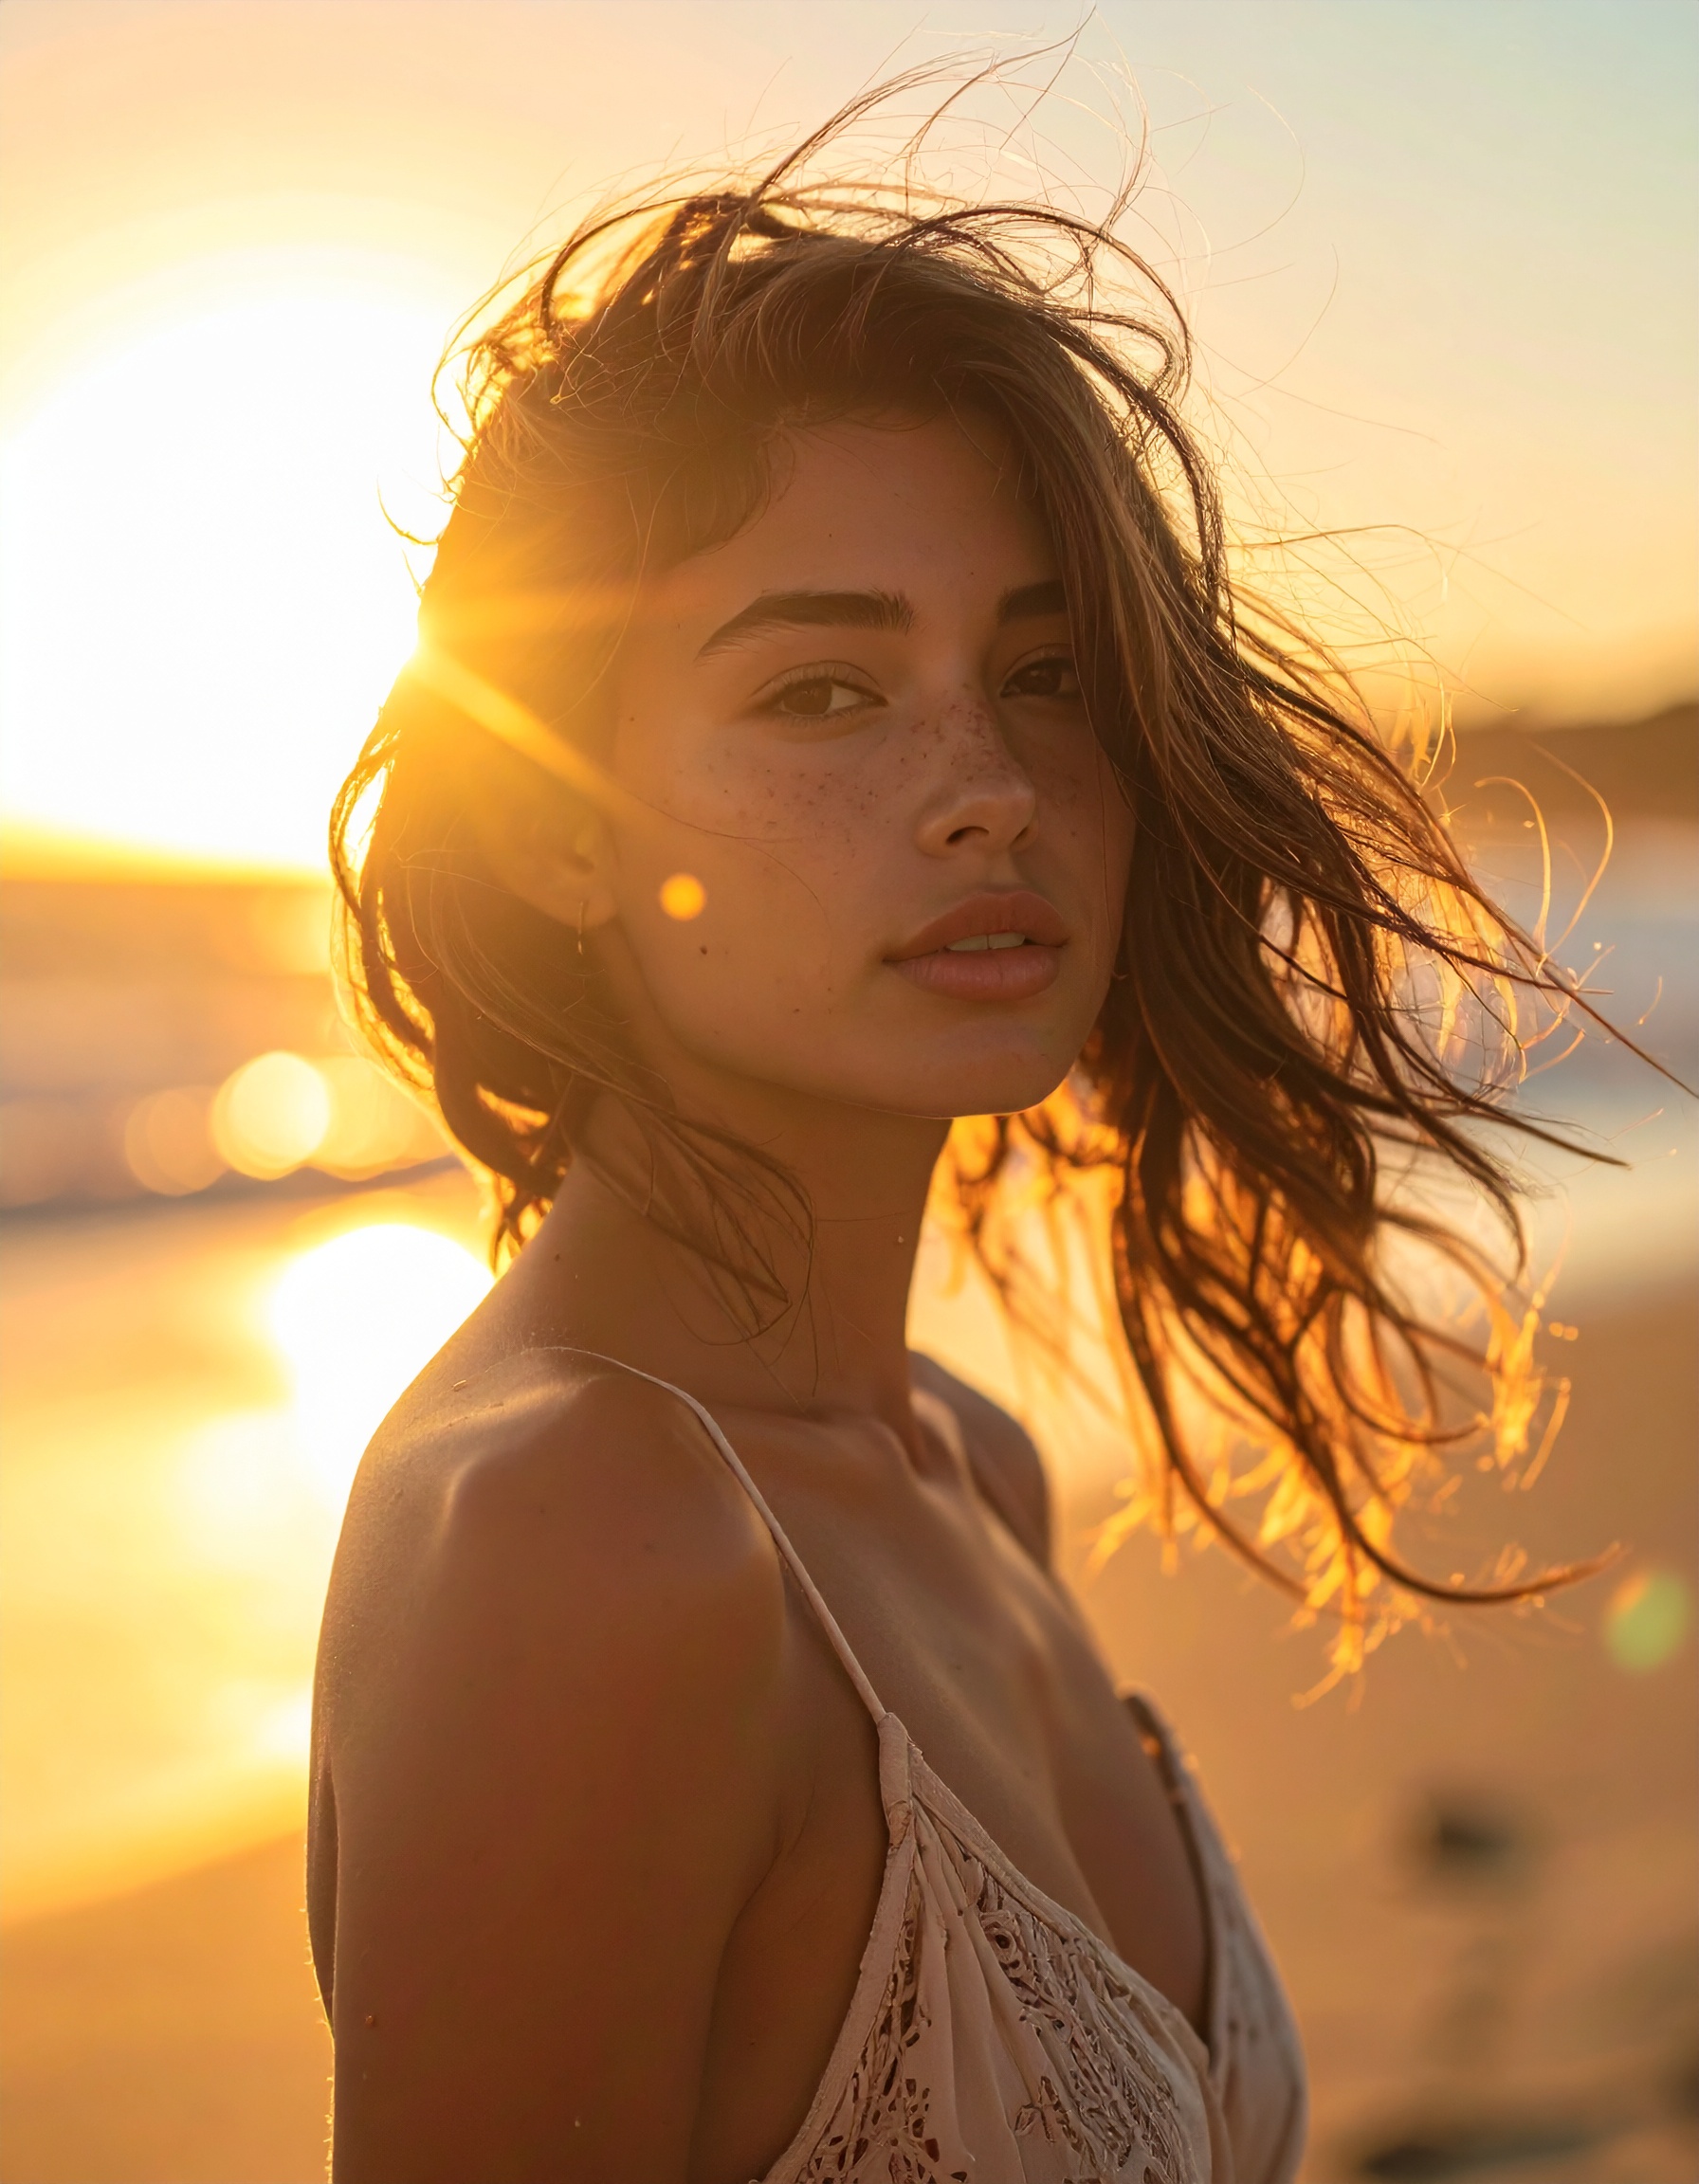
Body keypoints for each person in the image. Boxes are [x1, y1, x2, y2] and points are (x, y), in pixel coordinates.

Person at [307, 91, 1582, 2184]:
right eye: (821, 691)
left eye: (1047, 671)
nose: (984, 783)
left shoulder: (961, 1465)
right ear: (554, 820)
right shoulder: (581, 1529)